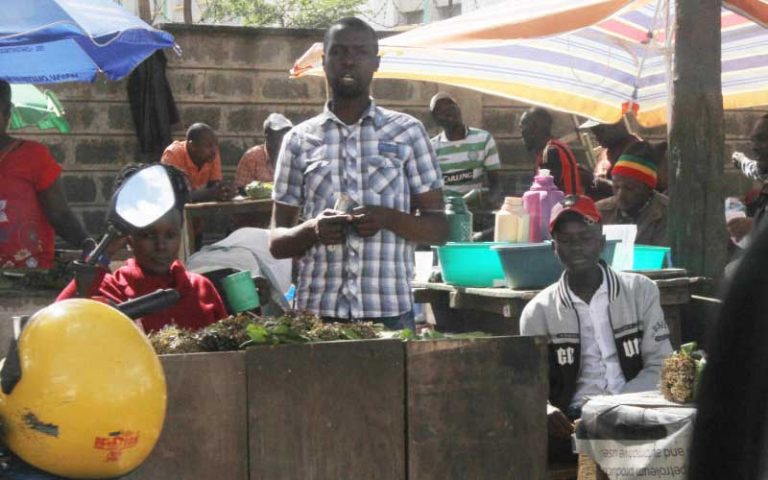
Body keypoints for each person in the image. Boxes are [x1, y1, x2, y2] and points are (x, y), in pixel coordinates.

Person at [269, 17, 448, 331]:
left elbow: (439, 228)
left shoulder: (407, 133)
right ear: (323, 62)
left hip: (388, 311)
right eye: (338, 52)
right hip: (318, 316)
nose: (349, 60)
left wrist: (387, 218)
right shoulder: (298, 141)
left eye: (360, 52)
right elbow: (277, 241)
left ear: (375, 62)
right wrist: (312, 229)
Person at [519, 194, 672, 462]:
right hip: (574, 421)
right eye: (565, 241)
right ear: (554, 249)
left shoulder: (641, 291)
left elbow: (660, 365)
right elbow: (527, 384)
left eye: (585, 238)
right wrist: (544, 409)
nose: (576, 247)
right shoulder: (538, 311)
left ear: (601, 244)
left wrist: (612, 405)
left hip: (636, 408)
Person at [57, 164, 227, 334]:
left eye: (170, 235)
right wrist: (105, 252)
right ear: (129, 237)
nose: (161, 246)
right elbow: (58, 323)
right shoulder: (110, 290)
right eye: (148, 235)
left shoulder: (200, 289)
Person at [0, 79, 93, 269]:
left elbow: (59, 213)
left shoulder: (34, 156)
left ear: (7, 113)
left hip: (29, 275)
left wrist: (87, 244)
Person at [429, 92, 501, 203]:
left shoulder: (483, 139)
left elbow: (495, 183)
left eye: (451, 106)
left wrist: (492, 203)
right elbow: (430, 188)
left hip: (476, 210)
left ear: (459, 109)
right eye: (440, 110)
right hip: (447, 212)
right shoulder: (431, 148)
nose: (448, 111)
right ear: (435, 119)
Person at [595, 141, 669, 246]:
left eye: (629, 188)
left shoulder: (667, 214)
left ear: (648, 188)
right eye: (616, 186)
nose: (620, 195)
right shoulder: (599, 211)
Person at [161, 122, 234, 203]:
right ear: (192, 146)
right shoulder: (173, 154)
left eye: (215, 145)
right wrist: (212, 193)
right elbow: (174, 195)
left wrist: (224, 192)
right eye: (208, 146)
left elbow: (215, 186)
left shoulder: (211, 155)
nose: (214, 150)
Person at [520, 107, 585, 195]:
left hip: (566, 207)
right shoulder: (549, 150)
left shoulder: (551, 152)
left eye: (522, 127)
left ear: (533, 127)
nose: (521, 134)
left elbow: (545, 194)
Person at [579, 118, 642, 199]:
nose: (597, 137)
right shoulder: (611, 149)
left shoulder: (634, 150)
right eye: (594, 133)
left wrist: (593, 180)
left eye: (600, 131)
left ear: (615, 126)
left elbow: (629, 191)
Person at [234, 113, 293, 191]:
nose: (283, 138)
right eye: (278, 134)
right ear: (267, 135)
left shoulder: (294, 156)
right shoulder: (251, 157)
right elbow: (240, 188)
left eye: (286, 134)